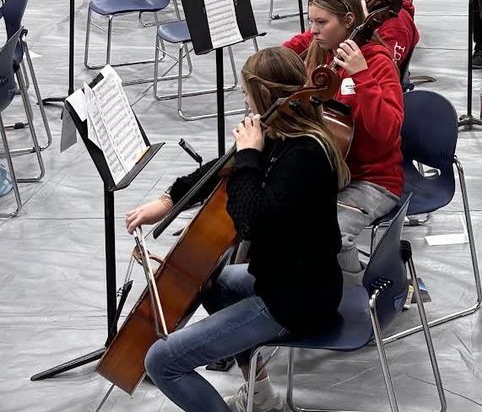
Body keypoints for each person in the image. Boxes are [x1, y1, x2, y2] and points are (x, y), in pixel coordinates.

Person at [131, 47, 346, 412]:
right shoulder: (285, 135)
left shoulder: (303, 156)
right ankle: (261, 395)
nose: (243, 100)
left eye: (247, 93)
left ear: (263, 96)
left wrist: (249, 155)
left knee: (162, 362)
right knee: (215, 280)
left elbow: (250, 222)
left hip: (295, 301)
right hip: (296, 281)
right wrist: (168, 201)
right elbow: (222, 167)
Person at [283, 0, 404, 278]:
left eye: (321, 22)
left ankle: (355, 300)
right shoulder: (322, 53)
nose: (313, 29)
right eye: (311, 20)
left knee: (334, 236)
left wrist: (361, 75)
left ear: (349, 21)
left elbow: (387, 133)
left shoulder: (377, 63)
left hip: (373, 179)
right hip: (330, 171)